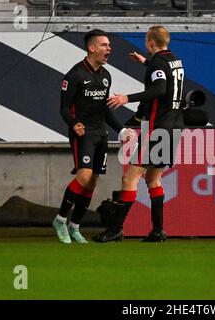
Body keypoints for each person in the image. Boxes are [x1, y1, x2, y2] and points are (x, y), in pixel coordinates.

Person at [94, 25, 185, 243]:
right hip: (175, 126)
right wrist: (146, 62)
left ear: (150, 42)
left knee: (130, 177)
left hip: (158, 128)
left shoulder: (158, 63)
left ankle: (115, 229)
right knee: (154, 178)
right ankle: (158, 231)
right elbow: (166, 77)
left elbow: (160, 88)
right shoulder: (175, 60)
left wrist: (127, 98)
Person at [53, 29, 134, 244]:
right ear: (92, 48)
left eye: (109, 45)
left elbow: (105, 109)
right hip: (83, 134)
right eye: (104, 45)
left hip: (101, 134)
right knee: (84, 176)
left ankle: (75, 226)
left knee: (92, 181)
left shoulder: (106, 76)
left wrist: (122, 129)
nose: (109, 48)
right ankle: (60, 219)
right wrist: (73, 124)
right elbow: (64, 107)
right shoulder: (75, 75)